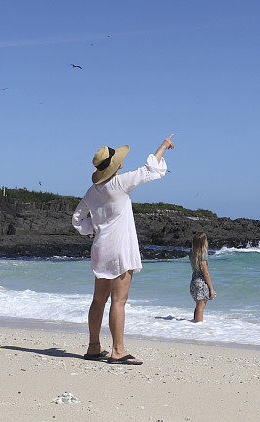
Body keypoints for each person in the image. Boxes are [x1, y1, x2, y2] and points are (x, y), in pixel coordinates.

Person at [72, 134, 174, 365]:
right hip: (119, 249)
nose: (122, 163)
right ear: (115, 166)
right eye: (119, 161)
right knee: (119, 301)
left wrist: (92, 230)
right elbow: (149, 171)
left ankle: (93, 347)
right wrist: (163, 147)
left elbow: (77, 219)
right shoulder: (119, 183)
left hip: (100, 248)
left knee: (99, 300)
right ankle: (117, 350)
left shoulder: (92, 191)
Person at [189, 232, 215, 322]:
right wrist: (211, 289)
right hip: (201, 281)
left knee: (198, 305)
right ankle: (198, 327)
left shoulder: (192, 253)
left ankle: (195, 323)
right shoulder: (203, 254)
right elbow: (206, 273)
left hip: (194, 280)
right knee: (201, 306)